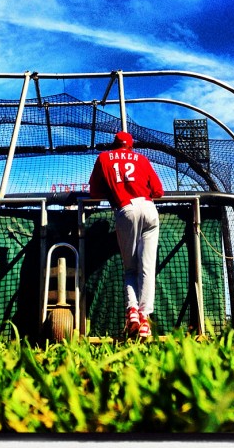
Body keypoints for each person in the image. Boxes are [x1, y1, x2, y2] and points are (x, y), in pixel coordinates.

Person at [89, 131, 164, 338]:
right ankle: (145, 318)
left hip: (126, 209)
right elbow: (158, 191)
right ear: (130, 146)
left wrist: (112, 190)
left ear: (115, 144)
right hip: (149, 209)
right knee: (147, 269)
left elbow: (94, 193)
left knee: (131, 268)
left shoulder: (104, 157)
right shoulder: (141, 158)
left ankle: (132, 311)